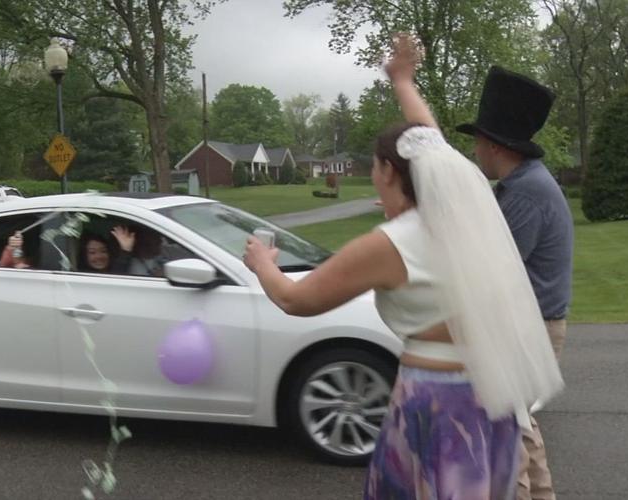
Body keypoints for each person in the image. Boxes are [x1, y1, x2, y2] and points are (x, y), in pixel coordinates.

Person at [243, 34, 563, 499]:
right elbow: (426, 141)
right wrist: (401, 81)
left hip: (438, 402)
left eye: (374, 168)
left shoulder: (393, 244)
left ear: (389, 172)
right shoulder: (467, 206)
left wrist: (261, 263)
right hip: (490, 396)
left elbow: (296, 299)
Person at [456, 66, 574, 500]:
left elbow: (494, 267)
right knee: (520, 429)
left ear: (493, 145)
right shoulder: (522, 185)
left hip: (528, 328)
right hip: (533, 325)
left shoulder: (524, 191)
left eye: (476, 142)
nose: (474, 151)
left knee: (505, 442)